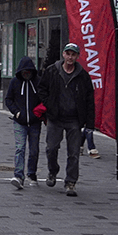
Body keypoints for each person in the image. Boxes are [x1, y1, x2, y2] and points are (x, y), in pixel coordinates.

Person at [37, 43, 95, 197]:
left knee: (74, 152)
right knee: (51, 148)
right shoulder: (52, 71)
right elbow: (41, 89)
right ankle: (52, 171)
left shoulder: (83, 76)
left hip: (74, 119)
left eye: (73, 54)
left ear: (77, 56)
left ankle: (70, 182)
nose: (70, 57)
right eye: (68, 54)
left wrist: (90, 123)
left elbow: (90, 99)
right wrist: (50, 105)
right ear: (63, 54)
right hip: (55, 117)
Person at [4, 56, 42, 189]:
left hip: (35, 122)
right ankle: (18, 176)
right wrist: (16, 112)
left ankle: (32, 174)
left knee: (34, 150)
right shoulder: (15, 82)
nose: (27, 74)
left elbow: (44, 99)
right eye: (24, 72)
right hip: (19, 121)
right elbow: (8, 100)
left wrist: (38, 113)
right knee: (20, 148)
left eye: (29, 72)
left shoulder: (38, 82)